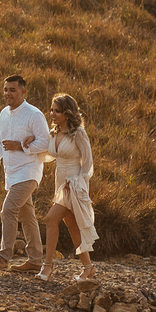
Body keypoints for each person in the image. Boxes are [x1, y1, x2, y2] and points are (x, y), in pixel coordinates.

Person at [25, 93, 98, 282]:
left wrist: (78, 182)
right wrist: (30, 141)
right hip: (60, 183)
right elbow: (46, 151)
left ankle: (47, 266)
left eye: (57, 111)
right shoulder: (54, 133)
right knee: (72, 226)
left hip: (73, 185)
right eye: (51, 110)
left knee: (50, 219)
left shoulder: (78, 133)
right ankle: (89, 268)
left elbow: (88, 162)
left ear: (67, 113)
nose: (52, 114)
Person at [0, 75, 49, 272]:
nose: (7, 94)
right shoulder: (3, 114)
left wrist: (19, 146)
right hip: (11, 173)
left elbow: (46, 143)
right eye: (5, 90)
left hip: (29, 172)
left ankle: (3, 257)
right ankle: (36, 260)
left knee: (8, 209)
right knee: (27, 217)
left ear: (23, 92)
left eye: (12, 90)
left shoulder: (34, 115)